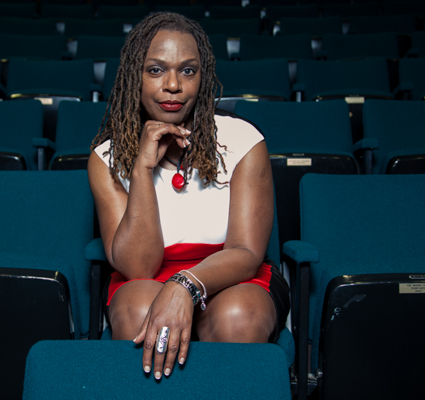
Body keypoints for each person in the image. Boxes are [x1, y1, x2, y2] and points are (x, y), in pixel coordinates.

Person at [88, 12, 290, 380]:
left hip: (232, 276)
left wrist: (185, 285)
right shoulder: (106, 158)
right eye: (155, 70)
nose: (172, 85)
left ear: (203, 76)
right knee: (139, 311)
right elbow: (138, 268)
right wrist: (142, 170)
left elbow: (247, 252)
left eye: (187, 71)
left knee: (237, 317)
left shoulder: (244, 140)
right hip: (148, 278)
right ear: (134, 75)